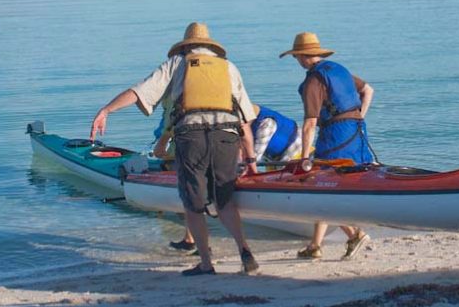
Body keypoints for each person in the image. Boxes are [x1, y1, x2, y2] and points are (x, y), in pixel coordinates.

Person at [91, 22, 260, 276]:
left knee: (192, 203)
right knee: (224, 200)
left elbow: (140, 92)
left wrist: (106, 110)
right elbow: (246, 120)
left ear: (186, 45)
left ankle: (205, 263)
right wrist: (250, 159)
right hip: (226, 137)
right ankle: (245, 251)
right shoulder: (229, 68)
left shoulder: (178, 63)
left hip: (191, 138)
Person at [280, 31, 374, 261]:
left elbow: (310, 124)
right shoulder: (338, 69)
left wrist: (304, 158)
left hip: (335, 135)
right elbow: (368, 90)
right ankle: (315, 245)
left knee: (319, 184)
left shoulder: (313, 80)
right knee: (328, 186)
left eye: (296, 57)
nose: (297, 61)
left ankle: (355, 234)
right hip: (357, 130)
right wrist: (359, 115)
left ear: (303, 56)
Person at [164, 103, 301, 253]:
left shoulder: (266, 124)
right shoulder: (243, 123)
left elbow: (254, 156)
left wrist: (240, 173)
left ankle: (294, 215)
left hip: (292, 153)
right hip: (272, 157)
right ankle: (194, 237)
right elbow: (240, 150)